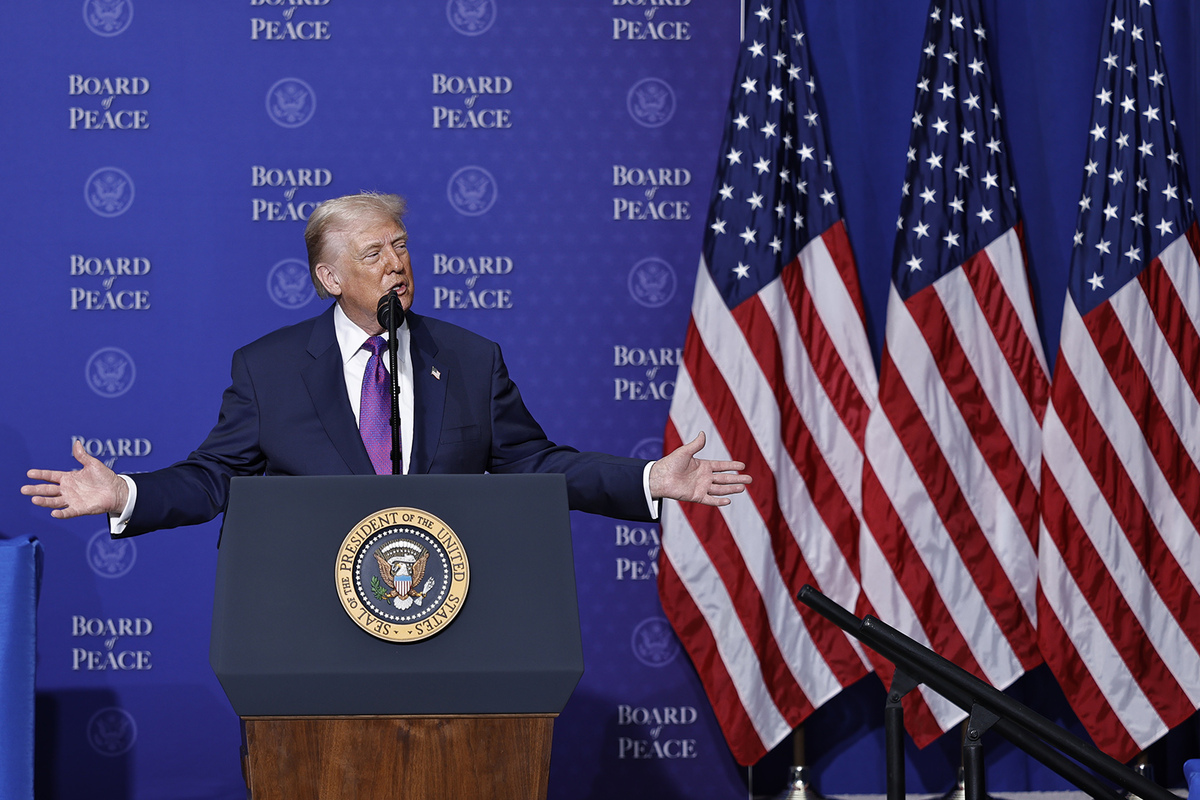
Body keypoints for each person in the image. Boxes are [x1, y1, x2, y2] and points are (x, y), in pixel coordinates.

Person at [23, 192, 749, 534]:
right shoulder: (269, 369)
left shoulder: (468, 359)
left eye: (401, 247)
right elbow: (214, 477)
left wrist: (649, 479)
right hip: (314, 619)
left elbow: (534, 463)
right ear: (330, 278)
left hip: (449, 610)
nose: (396, 264)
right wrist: (125, 492)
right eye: (373, 254)